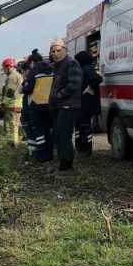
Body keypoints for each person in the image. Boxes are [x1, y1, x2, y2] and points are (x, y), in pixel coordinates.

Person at [48, 38, 82, 171]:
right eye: (53, 51)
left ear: (65, 50)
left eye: (59, 50)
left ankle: (66, 164)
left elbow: (74, 84)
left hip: (68, 105)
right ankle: (64, 160)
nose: (56, 54)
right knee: (59, 135)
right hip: (59, 105)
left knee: (63, 135)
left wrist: (59, 95)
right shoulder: (58, 65)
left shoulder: (71, 64)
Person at [23, 49, 55, 163]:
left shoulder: (33, 71)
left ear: (32, 62)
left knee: (39, 132)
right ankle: (50, 155)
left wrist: (23, 88)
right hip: (51, 105)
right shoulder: (51, 69)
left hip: (37, 106)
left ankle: (41, 156)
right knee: (48, 130)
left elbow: (28, 88)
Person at [74, 51, 103, 157]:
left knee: (83, 127)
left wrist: (88, 88)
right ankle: (81, 148)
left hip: (85, 104)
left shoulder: (85, 69)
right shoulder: (85, 68)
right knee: (82, 127)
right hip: (83, 103)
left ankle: (85, 149)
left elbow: (97, 79)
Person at [0, 58, 24, 147]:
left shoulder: (11, 77)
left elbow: (9, 93)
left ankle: (11, 144)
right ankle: (15, 143)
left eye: (4, 68)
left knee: (9, 126)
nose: (4, 70)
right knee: (16, 126)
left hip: (11, 106)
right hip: (18, 105)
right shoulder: (19, 75)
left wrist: (3, 105)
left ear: (9, 67)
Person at [18, 60, 35, 156]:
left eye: (23, 73)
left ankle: (32, 152)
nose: (22, 75)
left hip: (29, 110)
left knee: (30, 130)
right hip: (32, 108)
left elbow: (20, 90)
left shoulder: (30, 78)